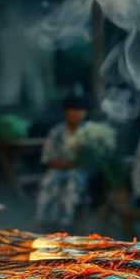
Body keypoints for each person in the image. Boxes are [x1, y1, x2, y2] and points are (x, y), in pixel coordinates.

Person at [35, 94, 91, 231]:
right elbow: (48, 159)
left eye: (80, 110)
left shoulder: (90, 132)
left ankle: (66, 225)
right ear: (65, 112)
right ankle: (43, 222)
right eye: (72, 110)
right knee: (50, 181)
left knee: (73, 181)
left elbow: (93, 160)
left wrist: (77, 163)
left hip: (82, 173)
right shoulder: (56, 132)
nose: (76, 114)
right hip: (58, 170)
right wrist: (68, 163)